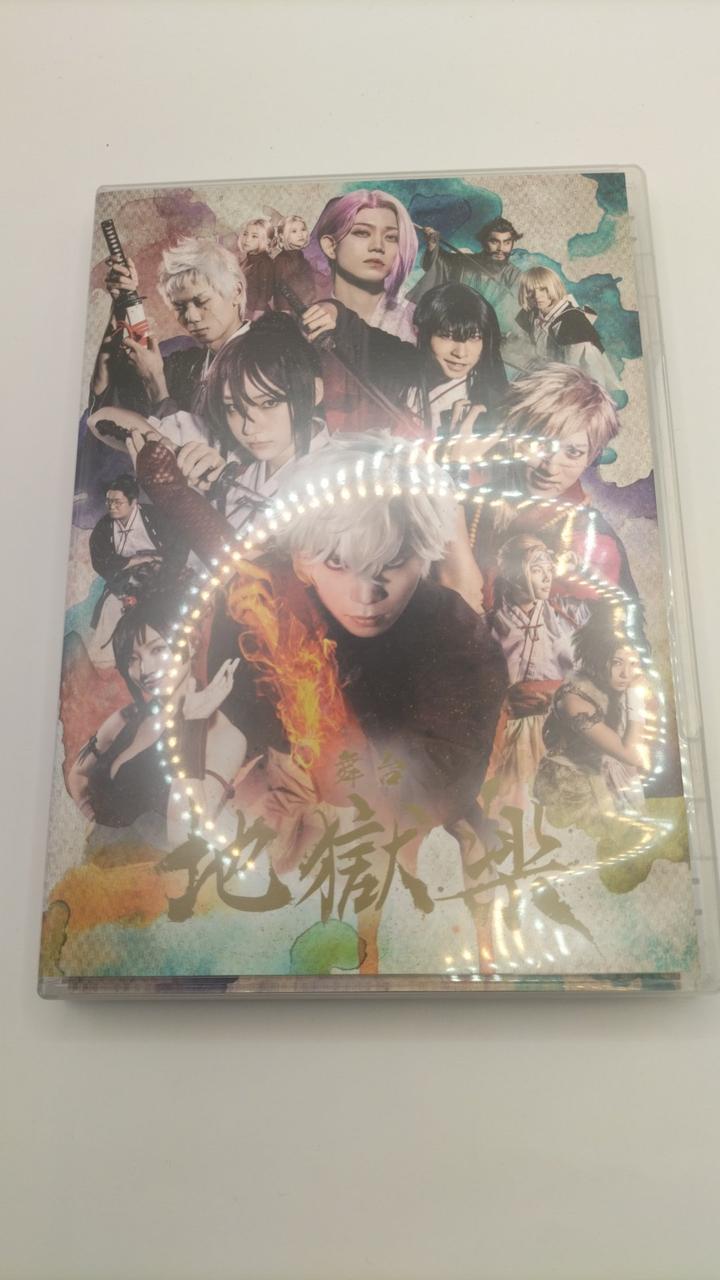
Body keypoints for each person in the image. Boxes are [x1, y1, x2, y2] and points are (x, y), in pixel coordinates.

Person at [67, 590, 248, 845]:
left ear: (191, 643)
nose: (145, 670)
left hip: (157, 870)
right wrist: (96, 827)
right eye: (133, 659)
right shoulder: (127, 718)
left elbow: (184, 837)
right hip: (97, 866)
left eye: (158, 649)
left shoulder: (226, 736)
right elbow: (78, 775)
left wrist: (193, 724)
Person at [467, 363, 639, 610]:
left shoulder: (593, 536)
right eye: (539, 444)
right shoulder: (471, 504)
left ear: (590, 456)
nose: (550, 468)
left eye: (573, 452)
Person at [301, 282, 508, 437]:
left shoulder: (491, 400)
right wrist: (331, 311)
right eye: (447, 336)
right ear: (420, 332)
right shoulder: (405, 360)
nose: (461, 353)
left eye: (474, 338)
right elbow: (357, 332)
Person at [90, 237, 248, 417]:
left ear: (236, 292)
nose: (191, 316)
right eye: (180, 307)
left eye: (201, 301)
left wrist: (156, 384)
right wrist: (123, 302)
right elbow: (106, 398)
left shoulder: (262, 362)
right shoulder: (189, 361)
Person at [486, 534, 589, 807]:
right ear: (513, 573)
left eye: (548, 570)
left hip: (557, 728)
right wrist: (506, 701)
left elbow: (588, 674)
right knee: (512, 805)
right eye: (536, 570)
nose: (546, 578)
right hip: (508, 732)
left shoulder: (564, 618)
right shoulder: (490, 626)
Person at [534, 610, 649, 825]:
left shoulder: (617, 686)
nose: (626, 674)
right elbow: (631, 754)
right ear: (598, 658)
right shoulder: (575, 699)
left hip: (610, 781)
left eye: (633, 663)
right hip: (574, 789)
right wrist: (635, 697)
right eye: (617, 662)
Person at [87, 474, 189, 666]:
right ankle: (110, 657)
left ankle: (174, 652)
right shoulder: (104, 527)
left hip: (162, 571)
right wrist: (134, 561)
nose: (112, 506)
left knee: (171, 603)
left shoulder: (155, 516)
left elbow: (180, 544)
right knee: (112, 604)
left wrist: (163, 568)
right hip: (128, 574)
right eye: (109, 501)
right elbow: (100, 561)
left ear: (133, 502)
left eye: (118, 502)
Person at [307, 189, 418, 341]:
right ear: (330, 246)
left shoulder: (417, 324)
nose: (378, 246)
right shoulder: (305, 317)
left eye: (391, 237)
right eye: (362, 233)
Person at [516, 266, 621, 394]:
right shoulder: (533, 314)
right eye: (530, 291)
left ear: (554, 288)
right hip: (549, 376)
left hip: (580, 384)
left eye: (543, 289)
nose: (537, 296)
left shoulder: (573, 321)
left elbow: (579, 370)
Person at [272, 214, 315, 312]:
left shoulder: (303, 260)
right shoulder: (282, 260)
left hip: (305, 310)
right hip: (289, 313)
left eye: (303, 229)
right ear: (282, 236)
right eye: (294, 231)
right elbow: (282, 290)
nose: (300, 234)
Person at [238, 218, 275, 318]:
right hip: (244, 310)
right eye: (245, 234)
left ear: (267, 241)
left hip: (257, 314)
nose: (247, 239)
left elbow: (264, 294)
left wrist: (256, 316)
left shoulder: (265, 263)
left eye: (254, 236)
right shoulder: (246, 260)